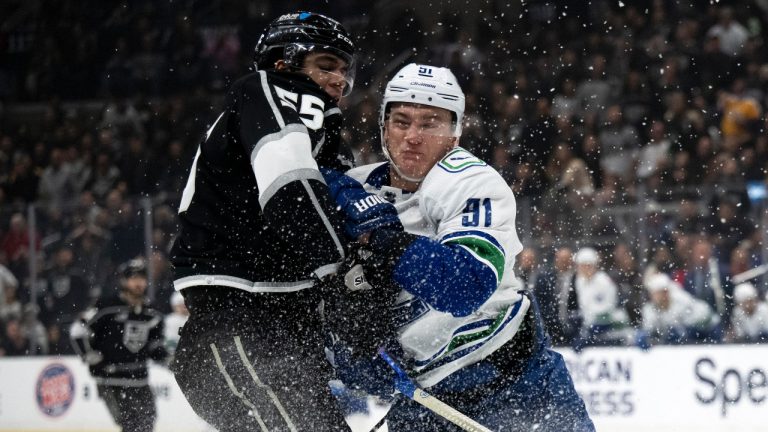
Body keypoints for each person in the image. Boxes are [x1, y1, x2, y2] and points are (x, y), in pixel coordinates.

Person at [322, 63, 594, 431]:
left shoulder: (474, 182)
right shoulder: (352, 188)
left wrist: (381, 237)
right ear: (383, 127)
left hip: (515, 383)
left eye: (430, 123)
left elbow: (463, 285)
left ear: (455, 134)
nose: (412, 136)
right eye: (401, 121)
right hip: (421, 404)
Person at [169, 12, 388, 431]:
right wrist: (344, 276)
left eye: (345, 70)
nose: (340, 80)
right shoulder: (268, 89)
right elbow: (290, 192)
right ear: (284, 63)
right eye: (326, 65)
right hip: (242, 326)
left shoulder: (324, 136)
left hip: (275, 330)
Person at [70, 258, 168, 432]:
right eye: (134, 278)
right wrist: (89, 356)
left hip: (140, 378)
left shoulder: (152, 312)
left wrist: (169, 360)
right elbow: (78, 330)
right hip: (111, 378)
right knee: (131, 425)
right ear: (124, 281)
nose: (139, 282)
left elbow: (154, 346)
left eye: (142, 278)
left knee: (147, 423)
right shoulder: (106, 306)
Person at [641, 272, 721, 345]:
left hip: (707, 326)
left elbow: (699, 321)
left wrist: (680, 331)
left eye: (656, 293)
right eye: (652, 294)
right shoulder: (649, 309)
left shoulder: (681, 301)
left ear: (665, 292)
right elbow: (649, 330)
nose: (653, 297)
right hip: (686, 335)